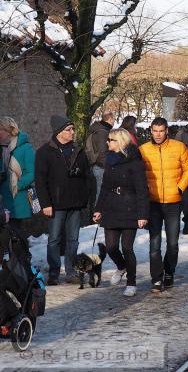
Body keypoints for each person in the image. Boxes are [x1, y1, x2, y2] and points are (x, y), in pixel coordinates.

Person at [36, 115, 93, 285]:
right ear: (59, 132)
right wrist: (45, 204)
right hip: (56, 204)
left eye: (73, 129)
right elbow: (40, 181)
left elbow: (87, 177)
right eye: (69, 129)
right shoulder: (44, 152)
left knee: (73, 239)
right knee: (54, 239)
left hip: (75, 203)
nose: (73, 132)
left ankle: (71, 271)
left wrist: (85, 197)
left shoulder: (78, 150)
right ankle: (54, 272)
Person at [139, 117, 188, 293]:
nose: (158, 134)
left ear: (166, 130)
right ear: (150, 131)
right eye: (155, 131)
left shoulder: (178, 147)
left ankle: (169, 272)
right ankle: (156, 279)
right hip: (153, 203)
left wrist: (180, 187)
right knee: (154, 244)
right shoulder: (143, 150)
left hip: (173, 202)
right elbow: (137, 173)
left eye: (161, 131)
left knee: (172, 243)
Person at [92, 128, 149, 297]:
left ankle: (131, 282)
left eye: (111, 140)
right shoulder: (109, 160)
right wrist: (98, 209)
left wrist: (143, 215)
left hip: (130, 207)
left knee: (127, 247)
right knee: (110, 247)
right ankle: (121, 266)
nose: (107, 142)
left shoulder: (135, 161)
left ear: (121, 142)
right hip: (111, 206)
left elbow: (142, 190)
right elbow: (104, 187)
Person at [0, 117, 36, 229]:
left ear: (8, 131)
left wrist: (16, 186)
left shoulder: (25, 147)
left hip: (17, 197)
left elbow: (32, 173)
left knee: (15, 232)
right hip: (2, 198)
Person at [85, 110, 114, 213]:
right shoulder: (102, 132)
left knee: (99, 191)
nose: (114, 122)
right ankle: (99, 216)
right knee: (101, 192)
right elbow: (102, 153)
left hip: (96, 165)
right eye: (113, 119)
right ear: (110, 119)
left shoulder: (98, 129)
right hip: (100, 166)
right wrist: (108, 166)